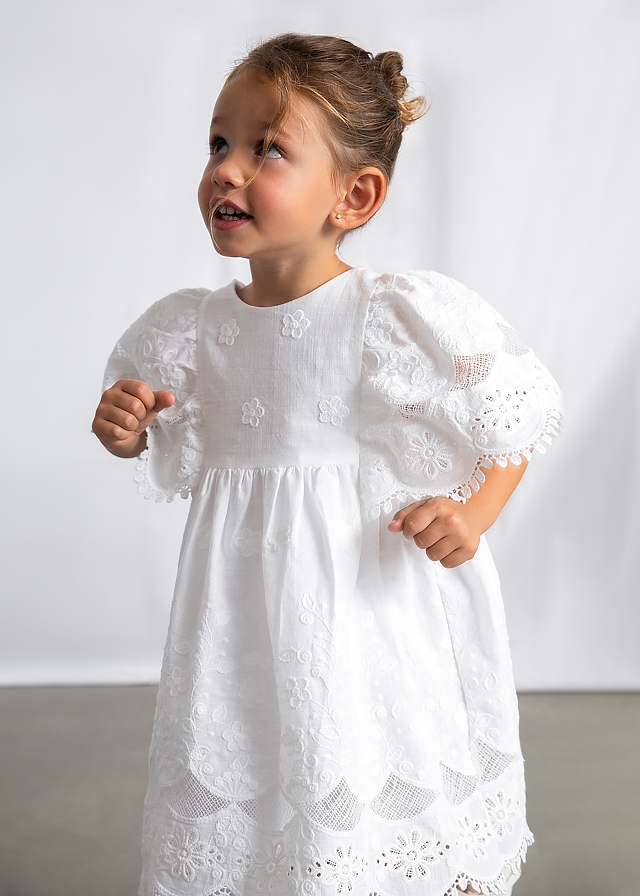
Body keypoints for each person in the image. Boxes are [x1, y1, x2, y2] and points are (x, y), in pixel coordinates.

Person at [92, 33, 561, 896]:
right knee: (258, 761)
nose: (228, 170)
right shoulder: (191, 329)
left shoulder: (391, 315)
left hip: (364, 607)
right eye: (219, 142)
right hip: (238, 617)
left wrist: (473, 514)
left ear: (355, 195)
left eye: (267, 149)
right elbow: (159, 437)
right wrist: (127, 428)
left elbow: (513, 414)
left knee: (364, 751)